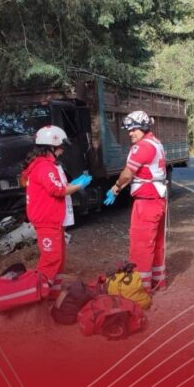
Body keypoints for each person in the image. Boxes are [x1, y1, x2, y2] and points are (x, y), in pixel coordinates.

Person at [21, 125, 92, 298]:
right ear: (51, 147)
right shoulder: (44, 167)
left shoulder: (46, 165)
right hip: (47, 220)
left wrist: (74, 183)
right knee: (51, 259)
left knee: (58, 259)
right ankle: (36, 297)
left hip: (52, 219)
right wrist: (79, 185)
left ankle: (52, 294)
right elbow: (58, 190)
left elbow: (58, 186)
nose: (62, 150)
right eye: (60, 146)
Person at [102, 111, 168, 293]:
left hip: (146, 202)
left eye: (133, 129)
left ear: (144, 127)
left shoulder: (141, 147)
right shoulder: (156, 143)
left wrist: (116, 186)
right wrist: (118, 188)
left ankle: (139, 289)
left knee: (141, 246)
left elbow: (127, 174)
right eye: (129, 130)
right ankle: (158, 282)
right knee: (157, 244)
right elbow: (141, 173)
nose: (130, 133)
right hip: (158, 199)